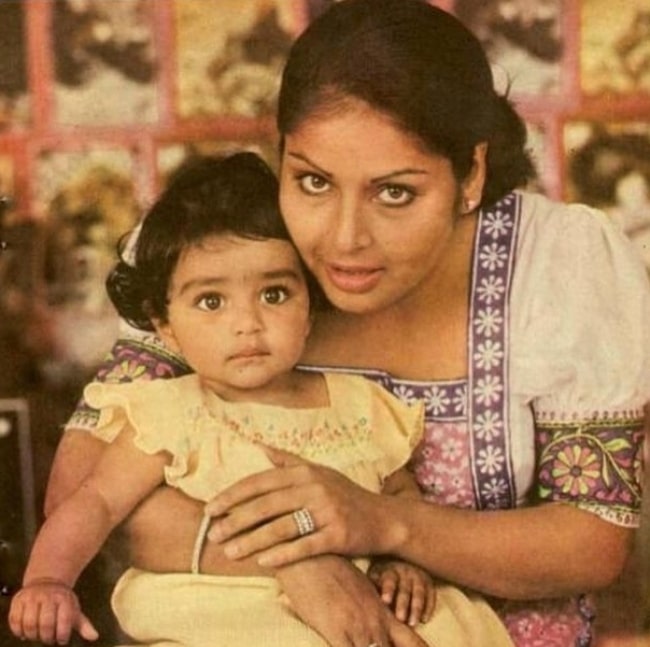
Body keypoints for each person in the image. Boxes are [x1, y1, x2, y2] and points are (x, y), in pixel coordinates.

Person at [43, 1, 650, 646]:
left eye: (395, 192)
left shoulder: (556, 265)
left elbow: (591, 542)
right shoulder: (221, 249)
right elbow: (79, 490)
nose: (344, 238)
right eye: (312, 182)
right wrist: (306, 565)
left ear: (470, 173)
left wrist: (383, 524)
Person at [9, 152, 514, 647]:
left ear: (310, 307)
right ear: (165, 325)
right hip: (222, 625)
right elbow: (92, 504)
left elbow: (400, 501)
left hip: (361, 615)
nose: (246, 323)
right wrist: (48, 581)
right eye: (211, 301)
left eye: (274, 294)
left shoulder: (359, 405)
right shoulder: (168, 412)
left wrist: (401, 563)